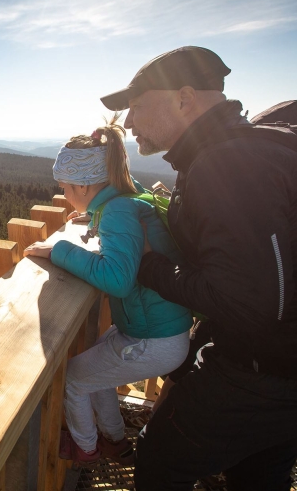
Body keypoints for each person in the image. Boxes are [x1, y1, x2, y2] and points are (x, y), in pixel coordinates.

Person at [100, 46, 297, 490]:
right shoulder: (240, 151)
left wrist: (149, 265)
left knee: (160, 461)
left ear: (184, 98)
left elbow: (247, 302)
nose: (128, 123)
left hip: (260, 372)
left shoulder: (226, 164)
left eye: (136, 107)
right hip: (281, 370)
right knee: (258, 474)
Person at [24, 115, 193, 466]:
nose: (65, 196)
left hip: (153, 338)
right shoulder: (125, 201)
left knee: (73, 378)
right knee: (94, 369)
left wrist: (59, 250)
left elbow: (118, 279)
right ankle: (114, 439)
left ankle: (87, 448)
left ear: (84, 187)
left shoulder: (117, 212)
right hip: (153, 328)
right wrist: (93, 218)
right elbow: (129, 232)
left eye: (66, 188)